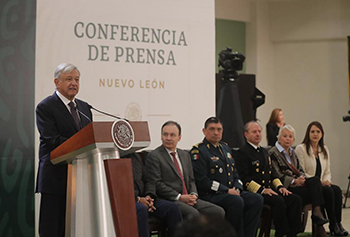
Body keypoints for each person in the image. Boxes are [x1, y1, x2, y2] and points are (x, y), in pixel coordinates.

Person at [36, 63, 93, 236]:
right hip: (56, 176)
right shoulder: (46, 106)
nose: (74, 83)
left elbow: (90, 137)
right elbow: (52, 139)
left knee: (76, 228)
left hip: (80, 177)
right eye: (68, 79)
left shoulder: (84, 108)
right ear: (57, 82)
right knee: (52, 228)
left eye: (76, 79)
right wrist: (83, 146)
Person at [190, 117, 263, 237]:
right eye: (212, 129)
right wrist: (226, 190)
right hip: (211, 195)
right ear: (204, 131)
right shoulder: (199, 151)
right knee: (236, 201)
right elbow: (202, 180)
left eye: (219, 129)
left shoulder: (225, 148)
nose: (216, 132)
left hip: (230, 192)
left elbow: (235, 173)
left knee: (256, 199)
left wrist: (237, 188)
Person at [146, 121, 225, 220]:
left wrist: (193, 195)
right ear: (161, 136)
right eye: (165, 134)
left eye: (172, 135)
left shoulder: (184, 155)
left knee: (218, 212)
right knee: (193, 214)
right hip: (170, 199)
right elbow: (157, 183)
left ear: (179, 137)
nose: (168, 138)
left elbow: (191, 180)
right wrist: (179, 197)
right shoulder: (154, 156)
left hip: (188, 197)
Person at [235, 121, 302, 237]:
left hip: (269, 189)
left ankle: (293, 233)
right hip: (255, 192)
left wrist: (280, 187)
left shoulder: (264, 152)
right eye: (254, 132)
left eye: (259, 131)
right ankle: (280, 233)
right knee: (278, 200)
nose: (257, 134)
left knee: (294, 199)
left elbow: (272, 175)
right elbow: (244, 178)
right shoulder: (242, 153)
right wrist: (262, 190)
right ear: (246, 134)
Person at [268, 125, 329, 236]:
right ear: (279, 137)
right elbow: (276, 174)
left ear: (294, 139)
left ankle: (318, 216)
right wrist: (294, 181)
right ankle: (318, 219)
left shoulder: (292, 152)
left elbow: (300, 169)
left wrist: (302, 178)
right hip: (285, 187)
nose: (287, 139)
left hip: (298, 185)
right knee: (308, 195)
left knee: (316, 182)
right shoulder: (273, 152)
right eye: (285, 136)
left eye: (290, 136)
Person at [295, 121, 348, 236]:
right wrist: (320, 182)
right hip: (309, 185)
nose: (315, 134)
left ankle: (337, 223)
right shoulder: (301, 148)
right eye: (312, 131)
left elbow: (327, 170)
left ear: (322, 134)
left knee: (337, 190)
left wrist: (327, 180)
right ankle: (333, 224)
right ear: (308, 133)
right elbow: (301, 171)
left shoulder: (324, 149)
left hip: (322, 183)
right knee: (328, 191)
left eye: (318, 132)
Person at [122, 152, 183, 237]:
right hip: (127, 200)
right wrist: (138, 199)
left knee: (172, 208)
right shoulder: (114, 156)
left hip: (145, 198)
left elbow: (148, 179)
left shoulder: (134, 156)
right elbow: (119, 187)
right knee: (142, 209)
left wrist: (149, 195)